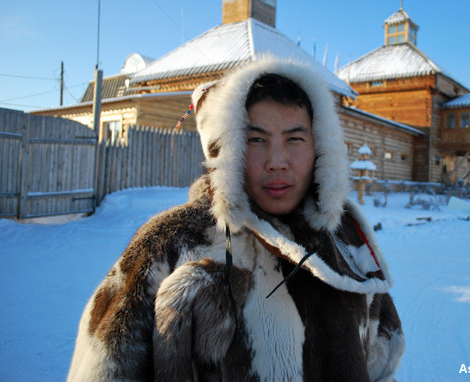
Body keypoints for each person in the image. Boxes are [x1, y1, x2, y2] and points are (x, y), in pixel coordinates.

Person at [68, 58, 405, 381]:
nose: (277, 161)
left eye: (295, 139)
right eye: (255, 139)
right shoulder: (170, 244)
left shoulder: (346, 244)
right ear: (229, 148)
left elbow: (382, 362)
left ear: (321, 147)